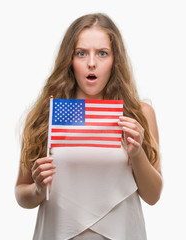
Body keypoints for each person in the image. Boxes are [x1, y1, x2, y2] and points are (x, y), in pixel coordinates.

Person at [15, 13, 162, 240]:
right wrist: (37, 189)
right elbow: (21, 193)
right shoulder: (46, 115)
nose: (91, 63)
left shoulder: (139, 114)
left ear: (115, 60)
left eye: (102, 53)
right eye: (81, 53)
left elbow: (153, 196)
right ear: (70, 59)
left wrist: (137, 153)